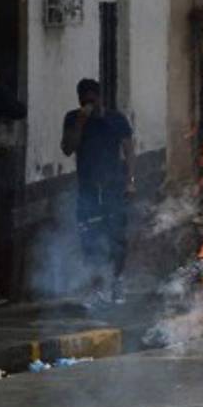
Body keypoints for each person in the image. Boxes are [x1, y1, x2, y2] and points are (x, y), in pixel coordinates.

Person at [61, 79, 135, 303]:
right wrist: (80, 123)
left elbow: (129, 150)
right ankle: (96, 286)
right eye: (84, 99)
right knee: (89, 238)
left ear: (100, 97)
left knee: (117, 237)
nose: (88, 103)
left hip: (113, 186)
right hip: (88, 189)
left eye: (92, 98)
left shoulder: (115, 119)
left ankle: (117, 282)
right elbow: (67, 148)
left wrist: (131, 181)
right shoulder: (73, 118)